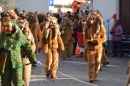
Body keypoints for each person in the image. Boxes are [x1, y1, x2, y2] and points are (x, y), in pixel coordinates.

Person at [0, 17, 37, 86]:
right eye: (4, 26)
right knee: (5, 82)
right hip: (5, 64)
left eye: (8, 27)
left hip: (17, 63)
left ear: (13, 27)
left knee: (18, 82)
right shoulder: (2, 37)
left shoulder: (19, 36)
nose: (5, 28)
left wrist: (33, 59)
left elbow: (27, 47)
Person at [83, 10, 106, 82]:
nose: (93, 20)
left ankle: (95, 75)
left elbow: (104, 38)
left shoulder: (101, 28)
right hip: (90, 47)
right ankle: (91, 77)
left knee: (97, 62)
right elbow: (85, 38)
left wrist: (98, 41)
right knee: (91, 62)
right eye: (91, 18)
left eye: (94, 19)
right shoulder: (86, 27)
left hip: (98, 47)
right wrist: (88, 41)